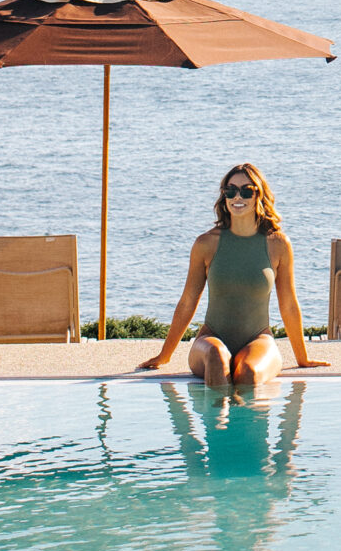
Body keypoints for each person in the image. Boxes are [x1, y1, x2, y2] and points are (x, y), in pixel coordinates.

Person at [137, 162, 330, 391]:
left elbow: (288, 304)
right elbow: (188, 302)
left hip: (259, 340)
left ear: (259, 195)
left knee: (246, 372)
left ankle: (239, 421)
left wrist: (302, 359)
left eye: (246, 191)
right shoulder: (206, 244)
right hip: (211, 341)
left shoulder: (278, 244)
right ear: (224, 196)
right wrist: (164, 355)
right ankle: (218, 423)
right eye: (231, 190)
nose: (237, 197)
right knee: (218, 359)